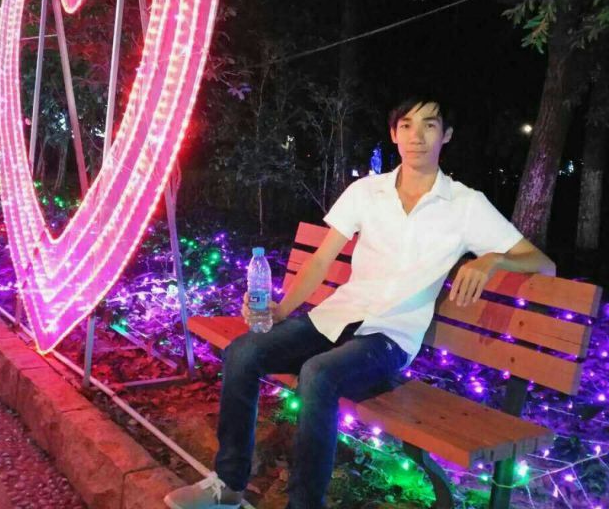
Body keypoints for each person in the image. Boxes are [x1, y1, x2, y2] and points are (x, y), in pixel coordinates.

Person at [165, 97, 556, 509]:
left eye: (429, 125)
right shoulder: (367, 192)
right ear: (394, 134)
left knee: (318, 374)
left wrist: (492, 259)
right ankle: (228, 485)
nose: (417, 136)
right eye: (406, 125)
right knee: (243, 352)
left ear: (447, 136)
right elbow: (321, 260)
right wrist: (281, 310)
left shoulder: (465, 205)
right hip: (337, 316)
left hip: (389, 336)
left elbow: (542, 264)